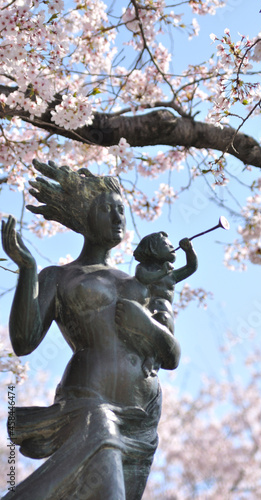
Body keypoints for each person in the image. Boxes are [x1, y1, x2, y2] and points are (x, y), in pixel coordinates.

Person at [1, 160, 182, 500]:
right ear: (85, 215)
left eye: (121, 212)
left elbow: (170, 355)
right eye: (107, 210)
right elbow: (24, 341)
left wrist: (146, 322)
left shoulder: (145, 283)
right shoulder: (60, 277)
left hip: (142, 419)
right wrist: (28, 269)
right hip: (89, 401)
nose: (117, 219)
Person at [133, 231, 198, 335]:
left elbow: (191, 267)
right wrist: (162, 272)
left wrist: (189, 251)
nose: (172, 247)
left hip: (165, 313)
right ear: (153, 250)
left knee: (163, 319)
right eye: (166, 245)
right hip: (145, 310)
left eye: (171, 244)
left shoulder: (171, 275)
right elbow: (143, 277)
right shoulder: (144, 268)